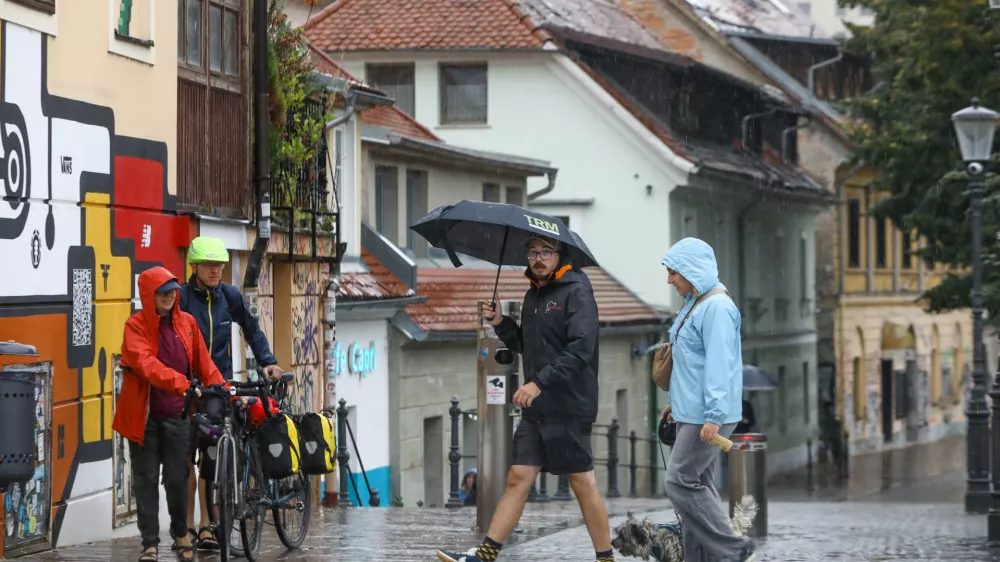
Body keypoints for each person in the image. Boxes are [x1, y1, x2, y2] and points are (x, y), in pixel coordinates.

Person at [437, 235, 614, 562]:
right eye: (533, 252)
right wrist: (501, 323)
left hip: (570, 406)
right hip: (538, 408)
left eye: (546, 252)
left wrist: (538, 384)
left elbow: (580, 351)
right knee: (518, 478)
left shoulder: (577, 291)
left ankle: (606, 559)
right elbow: (527, 345)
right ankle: (484, 556)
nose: (538, 258)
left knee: (581, 483)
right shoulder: (533, 295)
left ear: (560, 255)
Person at [112, 266, 228, 562]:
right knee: (145, 480)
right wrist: (184, 384)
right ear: (149, 295)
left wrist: (224, 389)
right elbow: (146, 364)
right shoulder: (135, 326)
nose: (168, 296)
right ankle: (150, 543)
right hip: (142, 419)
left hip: (177, 417)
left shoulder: (187, 323)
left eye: (172, 291)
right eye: (162, 292)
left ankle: (180, 533)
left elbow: (206, 364)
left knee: (178, 479)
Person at [179, 236, 284, 550]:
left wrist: (268, 361)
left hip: (218, 386)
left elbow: (251, 328)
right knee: (186, 457)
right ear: (195, 266)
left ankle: (207, 525)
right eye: (210, 265)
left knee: (213, 454)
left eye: (220, 265)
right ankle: (185, 527)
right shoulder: (183, 298)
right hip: (186, 386)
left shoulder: (230, 296)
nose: (216, 271)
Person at [659, 237, 757, 562]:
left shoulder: (717, 307)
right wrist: (677, 402)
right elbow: (692, 364)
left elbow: (719, 365)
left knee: (678, 481)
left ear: (691, 270)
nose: (669, 279)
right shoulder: (695, 302)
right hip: (693, 411)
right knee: (698, 484)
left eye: (674, 272)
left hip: (709, 416)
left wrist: (713, 415)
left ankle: (734, 549)